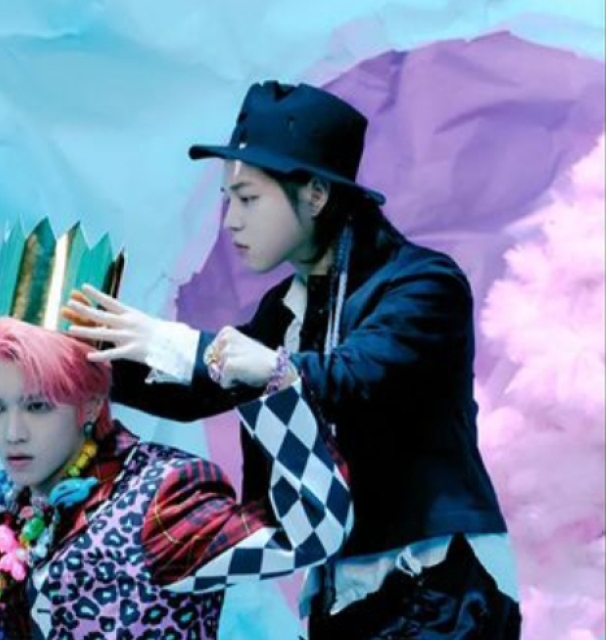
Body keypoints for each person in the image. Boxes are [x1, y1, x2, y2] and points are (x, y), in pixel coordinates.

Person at [64, 81, 521, 638]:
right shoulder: (285, 307)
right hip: (342, 591)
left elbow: (353, 377)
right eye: (227, 199)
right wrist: (85, 361)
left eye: (248, 199)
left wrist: (182, 344)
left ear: (316, 195)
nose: (230, 220)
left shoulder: (423, 284)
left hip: (439, 583)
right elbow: (202, 389)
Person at [0, 223, 353, 639]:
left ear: (90, 401)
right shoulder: (3, 509)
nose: (12, 432)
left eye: (37, 406)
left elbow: (309, 536)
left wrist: (278, 385)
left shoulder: (162, 499)